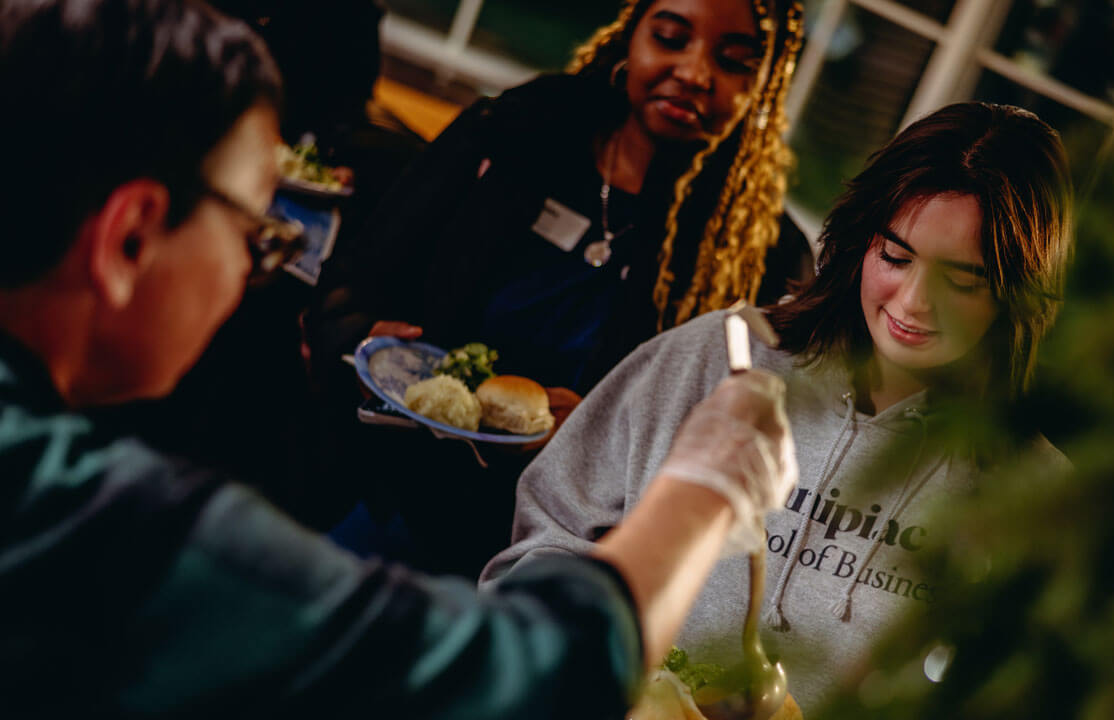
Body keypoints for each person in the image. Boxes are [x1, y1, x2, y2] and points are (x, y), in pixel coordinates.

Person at [0, 1, 796, 716]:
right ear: (131, 235)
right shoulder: (114, 526)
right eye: (258, 231)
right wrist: (705, 485)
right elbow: (531, 677)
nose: (256, 267)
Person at [482, 101, 1076, 709]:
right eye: (895, 257)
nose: (914, 302)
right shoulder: (721, 357)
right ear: (860, 240)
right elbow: (544, 543)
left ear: (1017, 296)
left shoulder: (1041, 497)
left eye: (962, 281)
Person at [300, 0, 814, 578]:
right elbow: (352, 282)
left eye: (733, 61)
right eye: (671, 37)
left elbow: (736, 451)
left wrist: (598, 437)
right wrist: (366, 335)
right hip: (387, 489)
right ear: (631, 38)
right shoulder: (515, 134)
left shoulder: (760, 257)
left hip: (552, 553)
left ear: (764, 86)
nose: (695, 72)